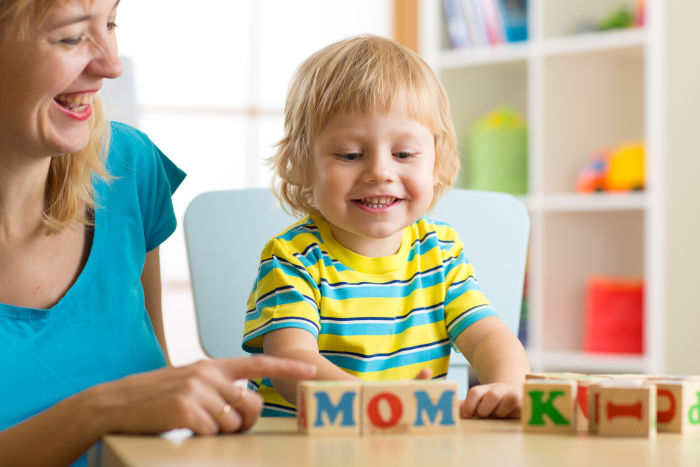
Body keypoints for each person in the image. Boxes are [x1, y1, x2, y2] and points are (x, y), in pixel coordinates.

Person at [0, 1, 316, 466]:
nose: (111, 64)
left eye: (110, 24)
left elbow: (154, 384)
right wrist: (99, 410)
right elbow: (125, 400)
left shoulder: (128, 167)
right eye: (71, 36)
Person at [243, 35, 530, 419]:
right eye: (350, 154)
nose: (380, 171)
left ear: (436, 161)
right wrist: (378, 405)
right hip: (303, 448)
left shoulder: (440, 251)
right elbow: (291, 362)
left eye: (404, 154)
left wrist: (508, 384)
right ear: (300, 165)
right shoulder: (291, 258)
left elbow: (489, 336)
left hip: (412, 447)